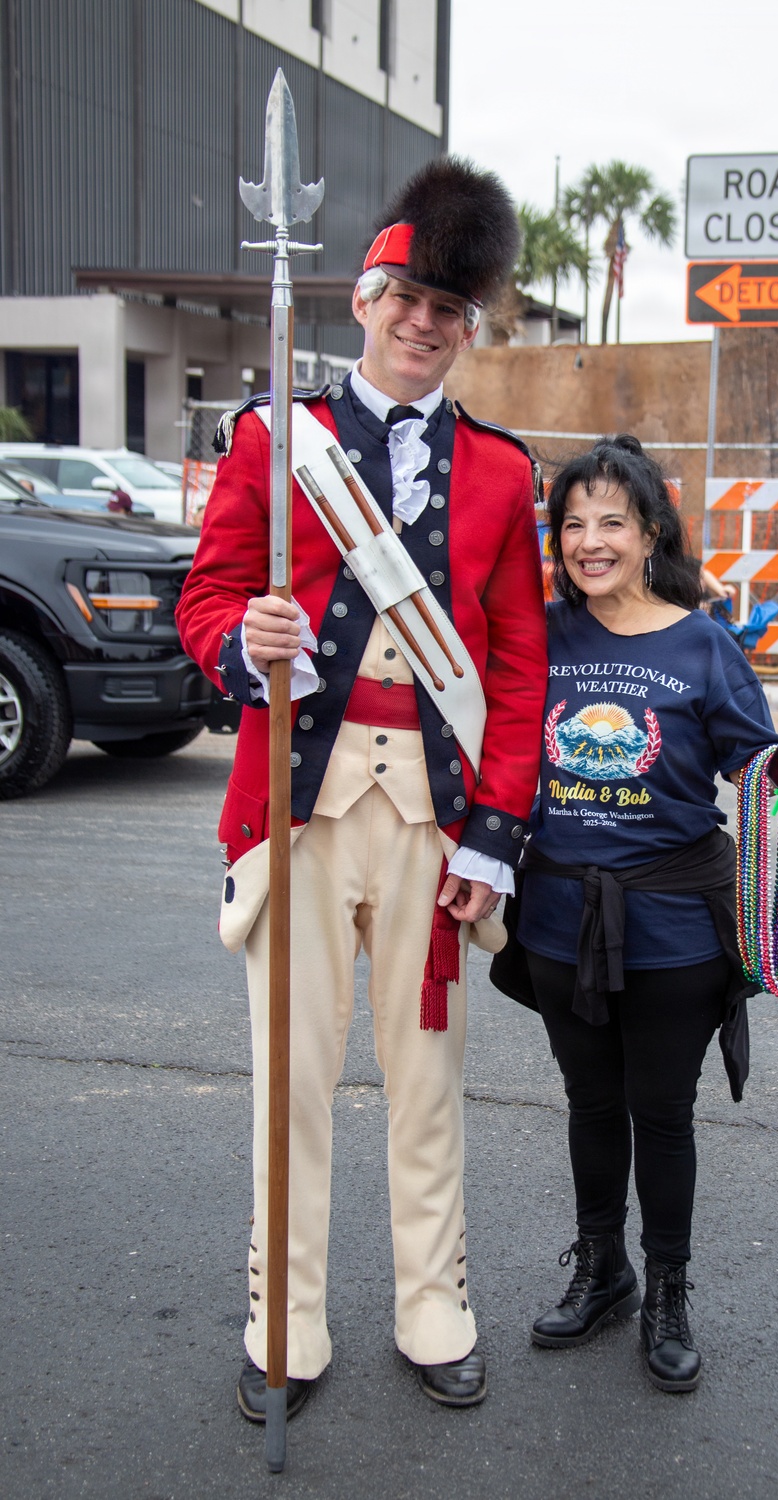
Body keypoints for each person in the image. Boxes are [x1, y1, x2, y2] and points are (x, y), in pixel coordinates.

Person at [176, 158, 547, 1417]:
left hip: (434, 820)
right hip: (297, 808)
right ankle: (284, 1318)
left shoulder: (501, 471)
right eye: (406, 298)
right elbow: (208, 594)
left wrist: (495, 832)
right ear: (362, 297)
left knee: (427, 1073)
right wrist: (244, 642)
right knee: (291, 1078)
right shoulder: (275, 440)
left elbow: (512, 662)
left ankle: (433, 1303)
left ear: (467, 325)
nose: (424, 325)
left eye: (450, 309)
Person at [495, 436, 778, 1393]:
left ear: (650, 534)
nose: (590, 541)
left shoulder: (702, 643)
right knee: (590, 1103)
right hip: (560, 920)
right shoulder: (541, 634)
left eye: (612, 522)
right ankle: (604, 1269)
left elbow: (752, 772)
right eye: (573, 524)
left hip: (676, 929)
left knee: (662, 1113)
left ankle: (671, 1288)